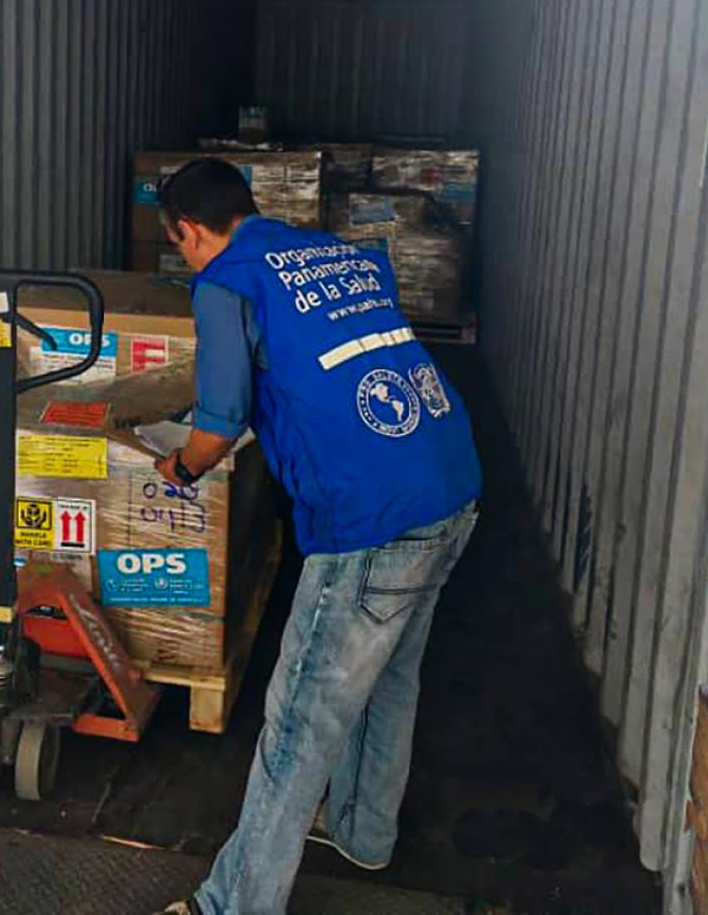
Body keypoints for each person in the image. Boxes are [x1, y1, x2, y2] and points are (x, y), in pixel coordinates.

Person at [150, 159, 483, 915]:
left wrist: (179, 466)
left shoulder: (226, 281)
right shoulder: (339, 253)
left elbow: (219, 422)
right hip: (449, 478)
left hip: (372, 516)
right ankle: (365, 832)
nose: (189, 257)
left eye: (184, 245)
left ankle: (231, 906)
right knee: (390, 676)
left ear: (191, 232)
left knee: (301, 718)